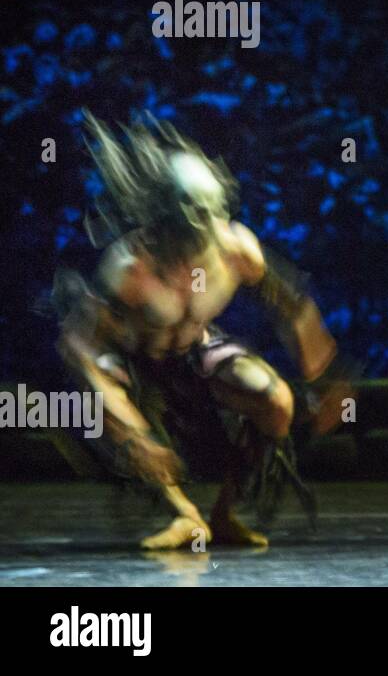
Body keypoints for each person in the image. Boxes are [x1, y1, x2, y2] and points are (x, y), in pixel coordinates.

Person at [54, 113, 340, 549]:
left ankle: (225, 514)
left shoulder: (235, 250)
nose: (201, 226)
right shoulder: (131, 268)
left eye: (207, 215)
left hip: (196, 352)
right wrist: (130, 428)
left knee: (277, 401)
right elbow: (79, 349)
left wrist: (321, 374)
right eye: (189, 215)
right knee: (118, 416)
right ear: (166, 217)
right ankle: (182, 514)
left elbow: (291, 306)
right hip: (135, 365)